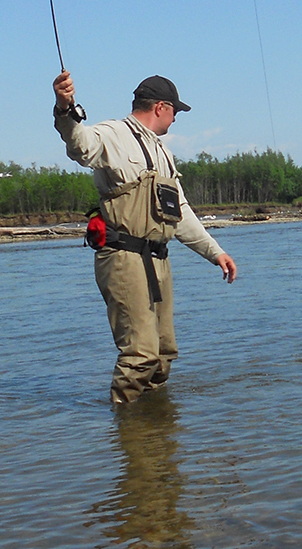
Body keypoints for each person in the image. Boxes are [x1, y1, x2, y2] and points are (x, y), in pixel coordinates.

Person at [53, 69, 237, 405]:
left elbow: (178, 212)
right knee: (140, 354)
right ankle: (127, 431)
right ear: (161, 107)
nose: (176, 119)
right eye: (175, 111)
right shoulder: (112, 134)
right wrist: (64, 108)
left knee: (163, 354)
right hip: (123, 257)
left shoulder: (164, 152)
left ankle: (156, 435)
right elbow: (78, 145)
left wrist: (216, 253)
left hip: (158, 258)